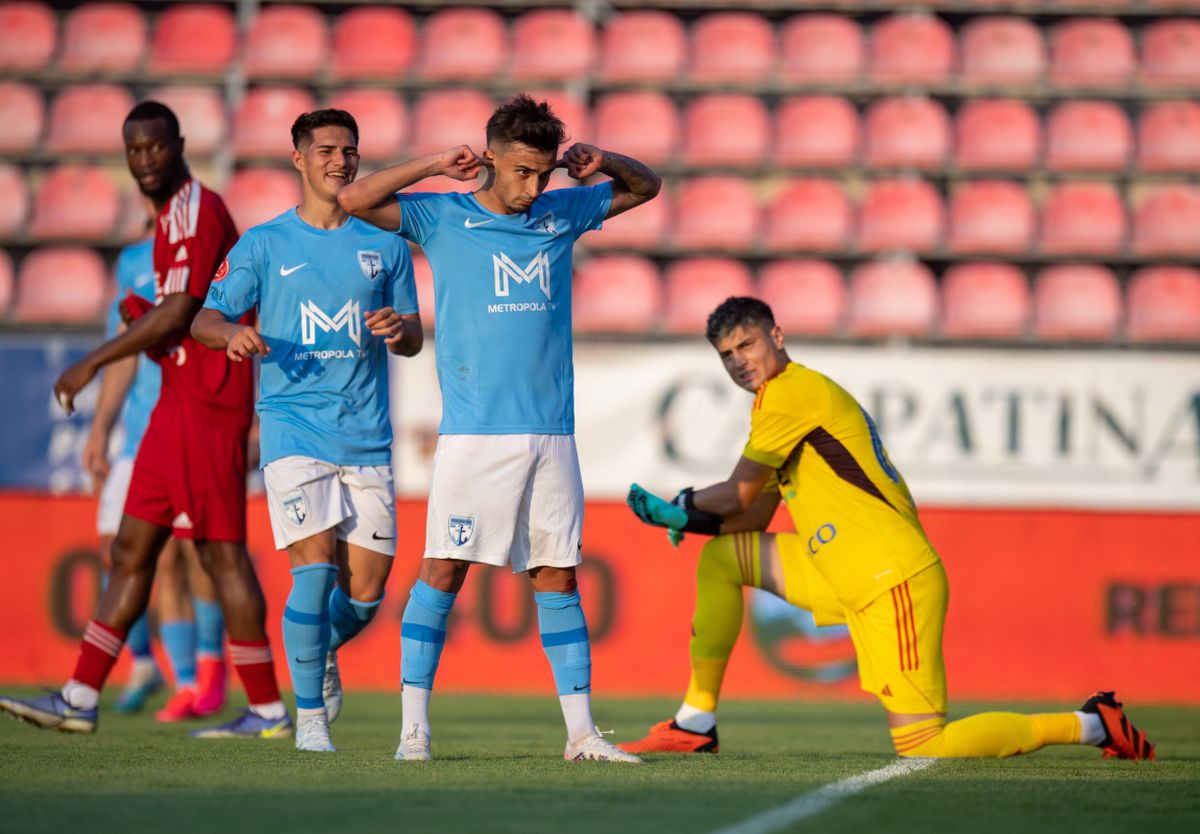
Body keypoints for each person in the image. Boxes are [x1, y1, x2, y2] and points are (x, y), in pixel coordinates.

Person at [620, 296, 1155, 762]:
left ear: (776, 337)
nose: (739, 361)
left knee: (925, 743)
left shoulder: (792, 393)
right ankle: (695, 723)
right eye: (727, 355)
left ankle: (1090, 724)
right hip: (841, 570)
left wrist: (682, 502)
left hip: (888, 578)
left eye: (747, 345)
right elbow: (752, 516)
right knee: (724, 558)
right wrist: (687, 520)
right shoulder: (774, 405)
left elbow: (735, 495)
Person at [338, 93, 661, 763]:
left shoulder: (561, 211)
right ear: (490, 160)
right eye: (521, 171)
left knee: (558, 577)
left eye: (543, 173)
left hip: (552, 433)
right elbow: (353, 200)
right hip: (476, 435)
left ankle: (581, 735)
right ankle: (413, 733)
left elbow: (645, 186)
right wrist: (432, 163)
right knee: (443, 572)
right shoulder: (441, 216)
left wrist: (605, 161)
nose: (533, 186)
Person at [0, 101, 289, 739]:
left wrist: (93, 361)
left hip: (208, 401)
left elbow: (185, 309)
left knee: (222, 557)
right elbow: (177, 305)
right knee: (132, 548)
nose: (144, 161)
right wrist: (140, 309)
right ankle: (79, 696)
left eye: (155, 147)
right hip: (175, 402)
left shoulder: (195, 207)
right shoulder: (168, 222)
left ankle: (268, 709)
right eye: (134, 151)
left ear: (178, 144)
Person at [192, 109, 423, 752]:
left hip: (367, 437)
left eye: (349, 150)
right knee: (313, 570)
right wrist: (233, 332)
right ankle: (311, 722)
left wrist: (400, 331)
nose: (340, 161)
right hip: (293, 429)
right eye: (325, 150)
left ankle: (316, 651)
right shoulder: (265, 244)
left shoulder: (386, 244)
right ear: (299, 159)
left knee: (369, 593)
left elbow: (413, 337)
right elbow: (204, 319)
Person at [84, 232, 228, 721]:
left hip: (194, 425)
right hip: (140, 435)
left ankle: (209, 670)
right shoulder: (132, 260)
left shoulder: (211, 249)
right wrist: (100, 429)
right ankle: (169, 673)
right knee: (129, 554)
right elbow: (125, 349)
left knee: (193, 552)